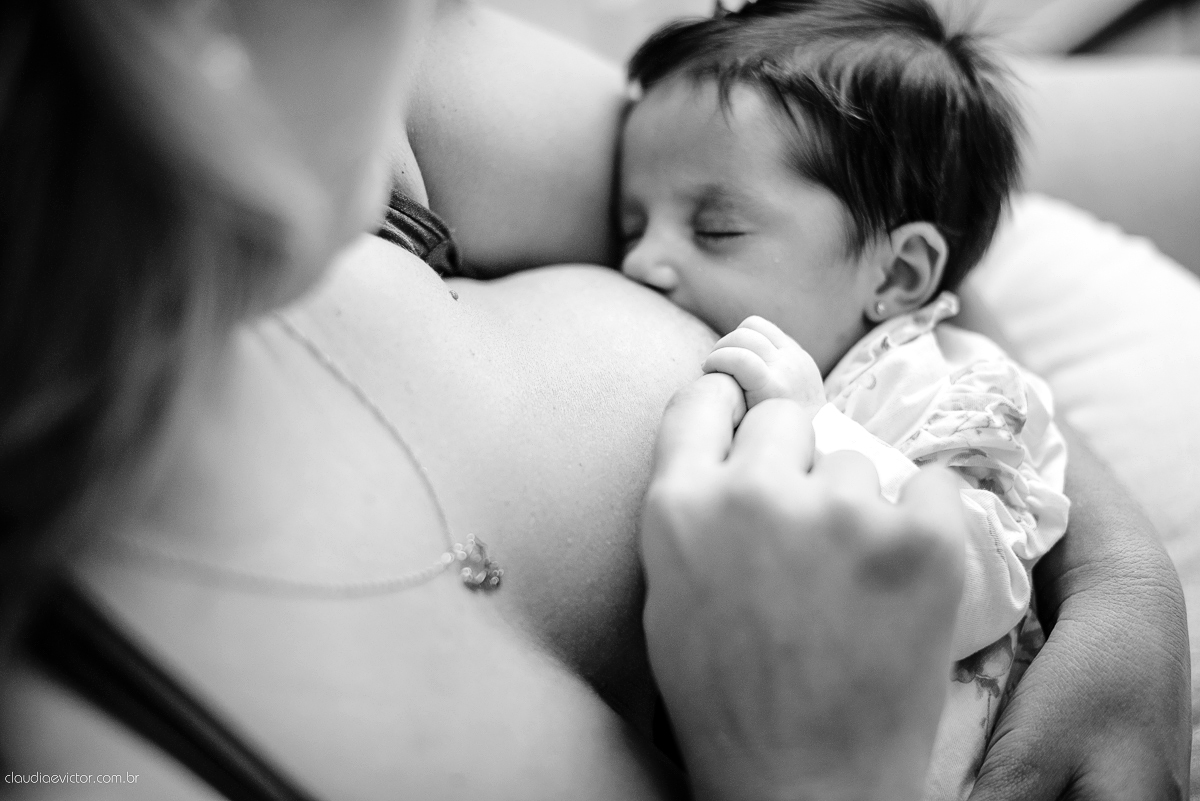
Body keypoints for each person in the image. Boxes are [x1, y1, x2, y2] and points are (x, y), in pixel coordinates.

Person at [0, 2, 1187, 801]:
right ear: (187, 44)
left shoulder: (389, 114)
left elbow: (873, 197)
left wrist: (1126, 593)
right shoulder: (90, 755)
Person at [616, 3, 1069, 797]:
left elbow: (976, 580)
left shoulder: (965, 387)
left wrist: (812, 422)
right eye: (628, 224)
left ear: (896, 275)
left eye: (715, 228)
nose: (641, 261)